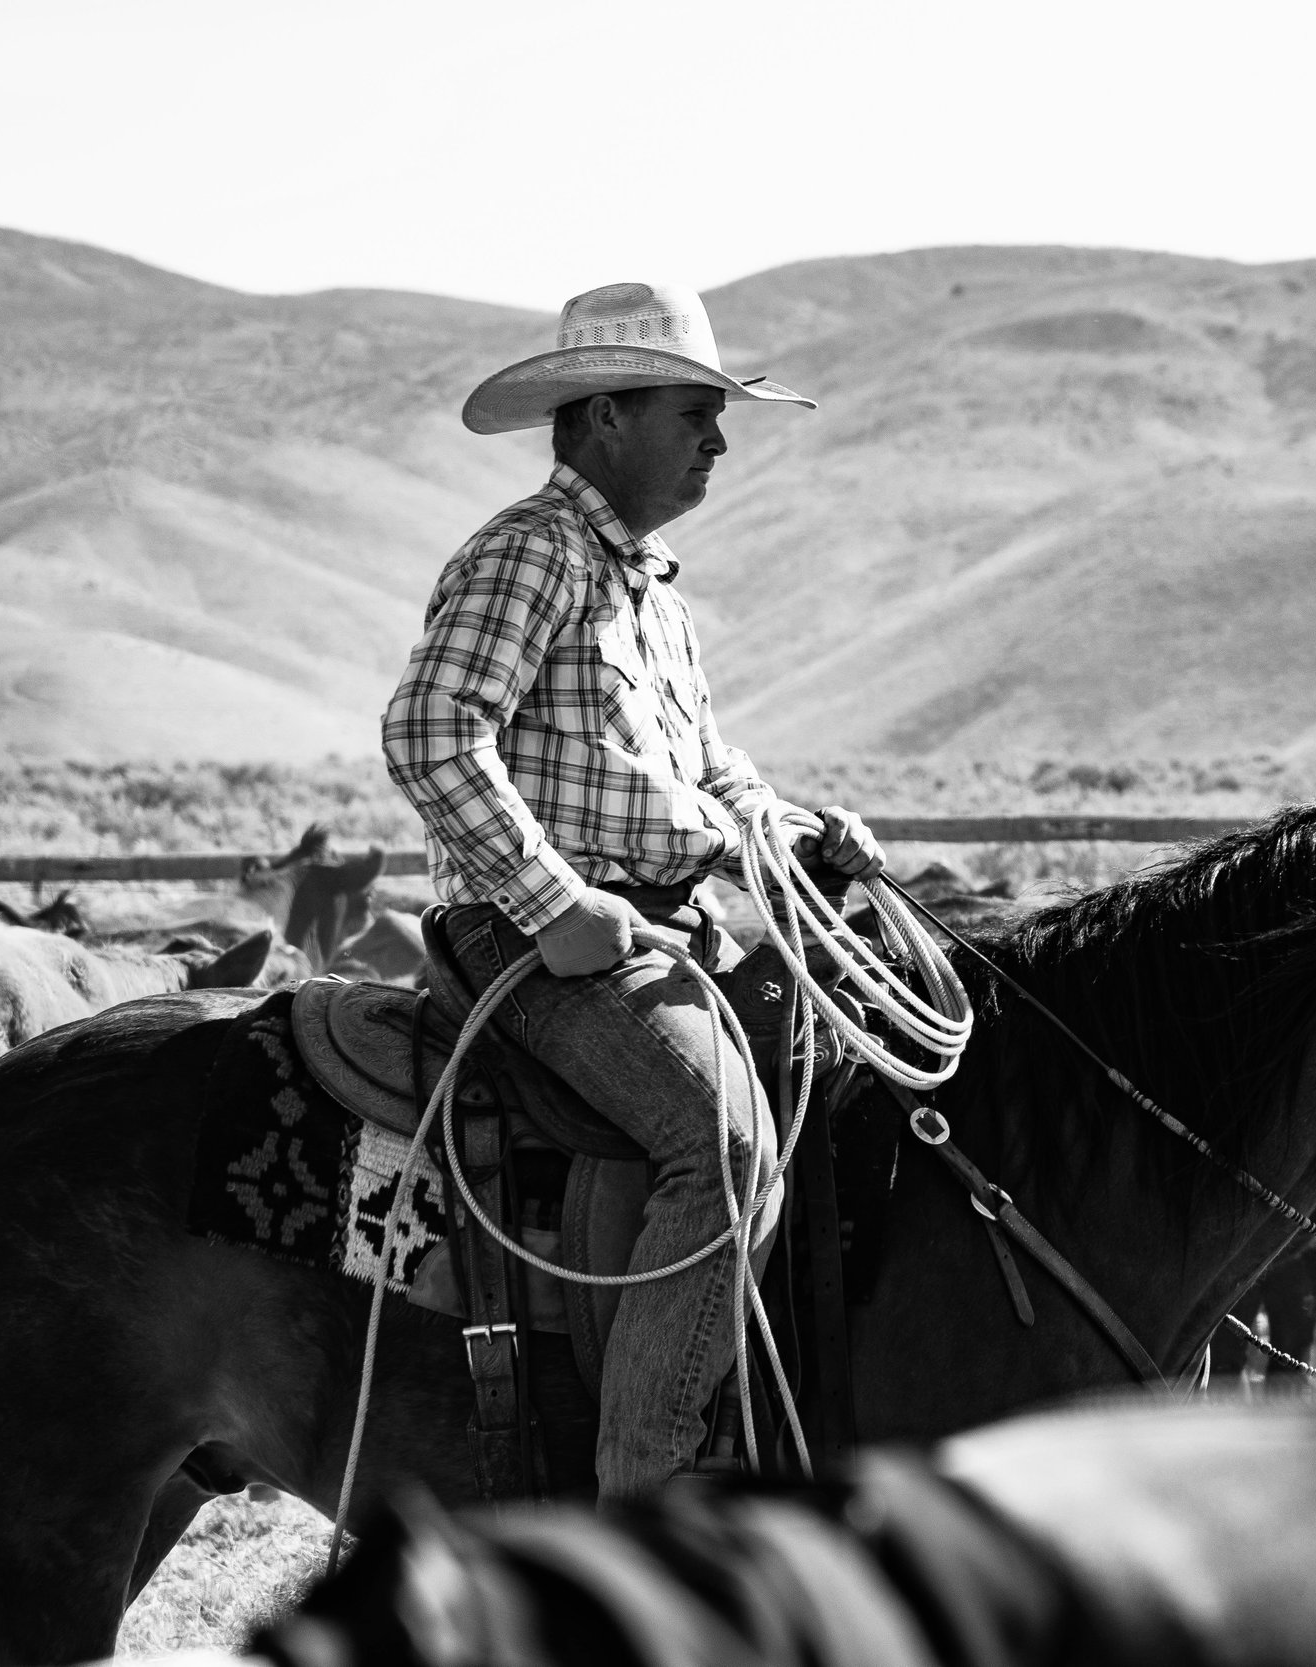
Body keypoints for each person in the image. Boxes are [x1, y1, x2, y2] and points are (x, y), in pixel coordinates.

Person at [382, 280, 885, 1500]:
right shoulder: (528, 553)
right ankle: (645, 1499)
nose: (718, 438)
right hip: (528, 937)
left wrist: (801, 835)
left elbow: (712, 773)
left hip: (655, 927)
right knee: (719, 1146)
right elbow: (430, 730)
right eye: (693, 411)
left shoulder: (652, 587)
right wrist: (553, 903)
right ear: (605, 417)